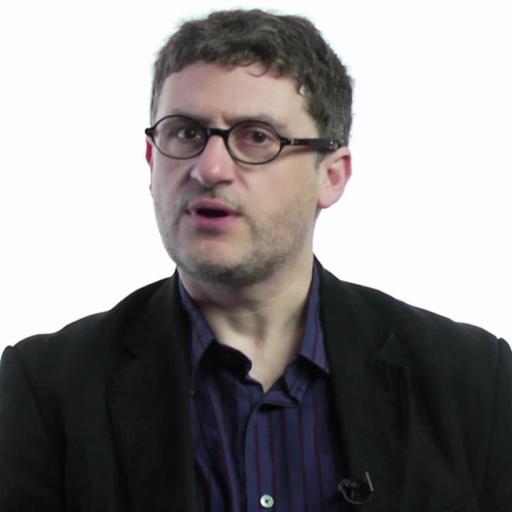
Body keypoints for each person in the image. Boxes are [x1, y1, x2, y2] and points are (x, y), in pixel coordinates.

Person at [0, 9, 510, 512]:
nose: (209, 168)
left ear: (331, 176)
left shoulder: (473, 381)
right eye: (185, 133)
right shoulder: (43, 390)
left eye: (257, 137)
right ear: (152, 161)